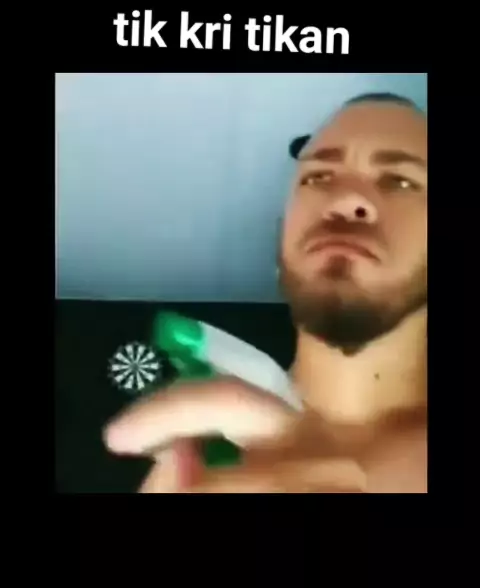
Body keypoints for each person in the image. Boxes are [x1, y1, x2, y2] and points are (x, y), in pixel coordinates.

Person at [104, 92, 428, 493]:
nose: (346, 200)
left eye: (400, 181)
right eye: (318, 177)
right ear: (280, 244)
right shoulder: (187, 467)